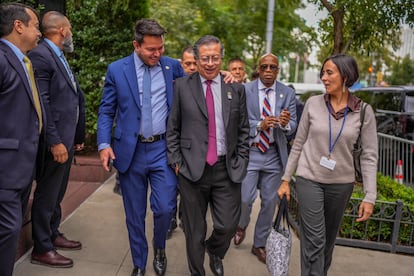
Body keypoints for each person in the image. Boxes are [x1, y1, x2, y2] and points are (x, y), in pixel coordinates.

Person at [97, 19, 184, 276]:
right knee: (134, 214)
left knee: (166, 208)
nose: (157, 54)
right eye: (151, 50)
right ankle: (138, 263)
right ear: (136, 45)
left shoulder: (173, 67)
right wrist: (103, 144)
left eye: (161, 48)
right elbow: (106, 111)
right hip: (130, 153)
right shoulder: (117, 70)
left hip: (161, 151)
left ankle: (159, 248)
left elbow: (196, 87)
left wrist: (225, 76)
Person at [277, 54, 377, 276]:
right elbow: (298, 142)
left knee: (327, 243)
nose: (323, 77)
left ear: (346, 76)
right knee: (315, 240)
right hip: (309, 178)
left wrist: (370, 196)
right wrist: (285, 179)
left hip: (341, 184)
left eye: (329, 72)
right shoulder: (313, 103)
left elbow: (369, 156)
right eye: (323, 72)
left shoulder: (363, 111)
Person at [167, 35, 250, 276]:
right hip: (192, 169)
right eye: (205, 58)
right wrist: (176, 162)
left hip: (227, 169)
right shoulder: (182, 87)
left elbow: (243, 129)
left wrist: (241, 160)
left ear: (221, 58)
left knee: (227, 225)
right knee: (194, 231)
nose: (211, 63)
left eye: (215, 58)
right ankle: (197, 272)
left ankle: (214, 251)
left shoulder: (235, 88)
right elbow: (173, 127)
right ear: (197, 59)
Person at [28, 11, 86, 268]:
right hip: (54, 142)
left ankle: (53, 232)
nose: (71, 33)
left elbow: (70, 97)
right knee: (47, 192)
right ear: (62, 30)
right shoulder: (40, 56)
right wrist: (55, 141)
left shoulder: (59, 56)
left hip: (66, 138)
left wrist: (75, 135)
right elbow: (44, 103)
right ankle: (42, 247)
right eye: (70, 28)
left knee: (58, 191)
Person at [232, 54, 297, 264]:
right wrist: (260, 124)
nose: (269, 70)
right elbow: (238, 122)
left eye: (273, 67)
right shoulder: (245, 90)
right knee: (245, 198)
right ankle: (241, 225)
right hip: (251, 152)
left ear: (278, 70)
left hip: (273, 154)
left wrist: (286, 124)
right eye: (264, 67)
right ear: (258, 69)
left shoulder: (287, 92)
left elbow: (293, 124)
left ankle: (259, 244)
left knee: (269, 202)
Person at [0, 3, 42, 275]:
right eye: (36, 26)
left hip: (21, 168)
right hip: (5, 169)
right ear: (19, 26)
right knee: (7, 232)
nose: (39, 32)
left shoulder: (23, 60)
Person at [286, 84, 304, 154]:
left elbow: (299, 122)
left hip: (291, 137)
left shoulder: (298, 105)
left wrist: (294, 137)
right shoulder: (286, 103)